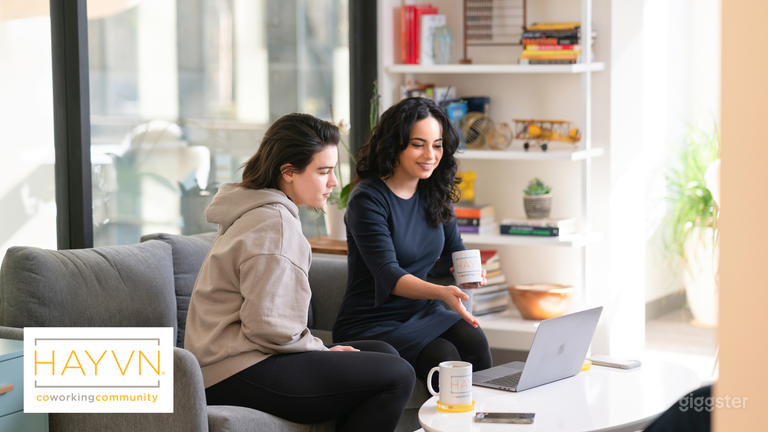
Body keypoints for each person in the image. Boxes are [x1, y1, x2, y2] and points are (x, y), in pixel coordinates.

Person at [185, 113, 416, 432]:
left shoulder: (261, 210)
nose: (334, 182)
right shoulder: (274, 224)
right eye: (323, 171)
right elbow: (269, 326)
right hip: (235, 370)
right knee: (398, 374)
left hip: (233, 361)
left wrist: (324, 353)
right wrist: (322, 350)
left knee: (383, 352)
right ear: (289, 172)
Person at [332, 97, 493, 388]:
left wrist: (468, 273)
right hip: (372, 322)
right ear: (396, 145)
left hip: (421, 310)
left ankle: (486, 419)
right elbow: (389, 276)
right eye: (418, 144)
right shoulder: (368, 199)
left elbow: (454, 251)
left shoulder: (435, 191)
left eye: (437, 144)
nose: (430, 155)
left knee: (473, 338)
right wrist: (442, 293)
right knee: (443, 355)